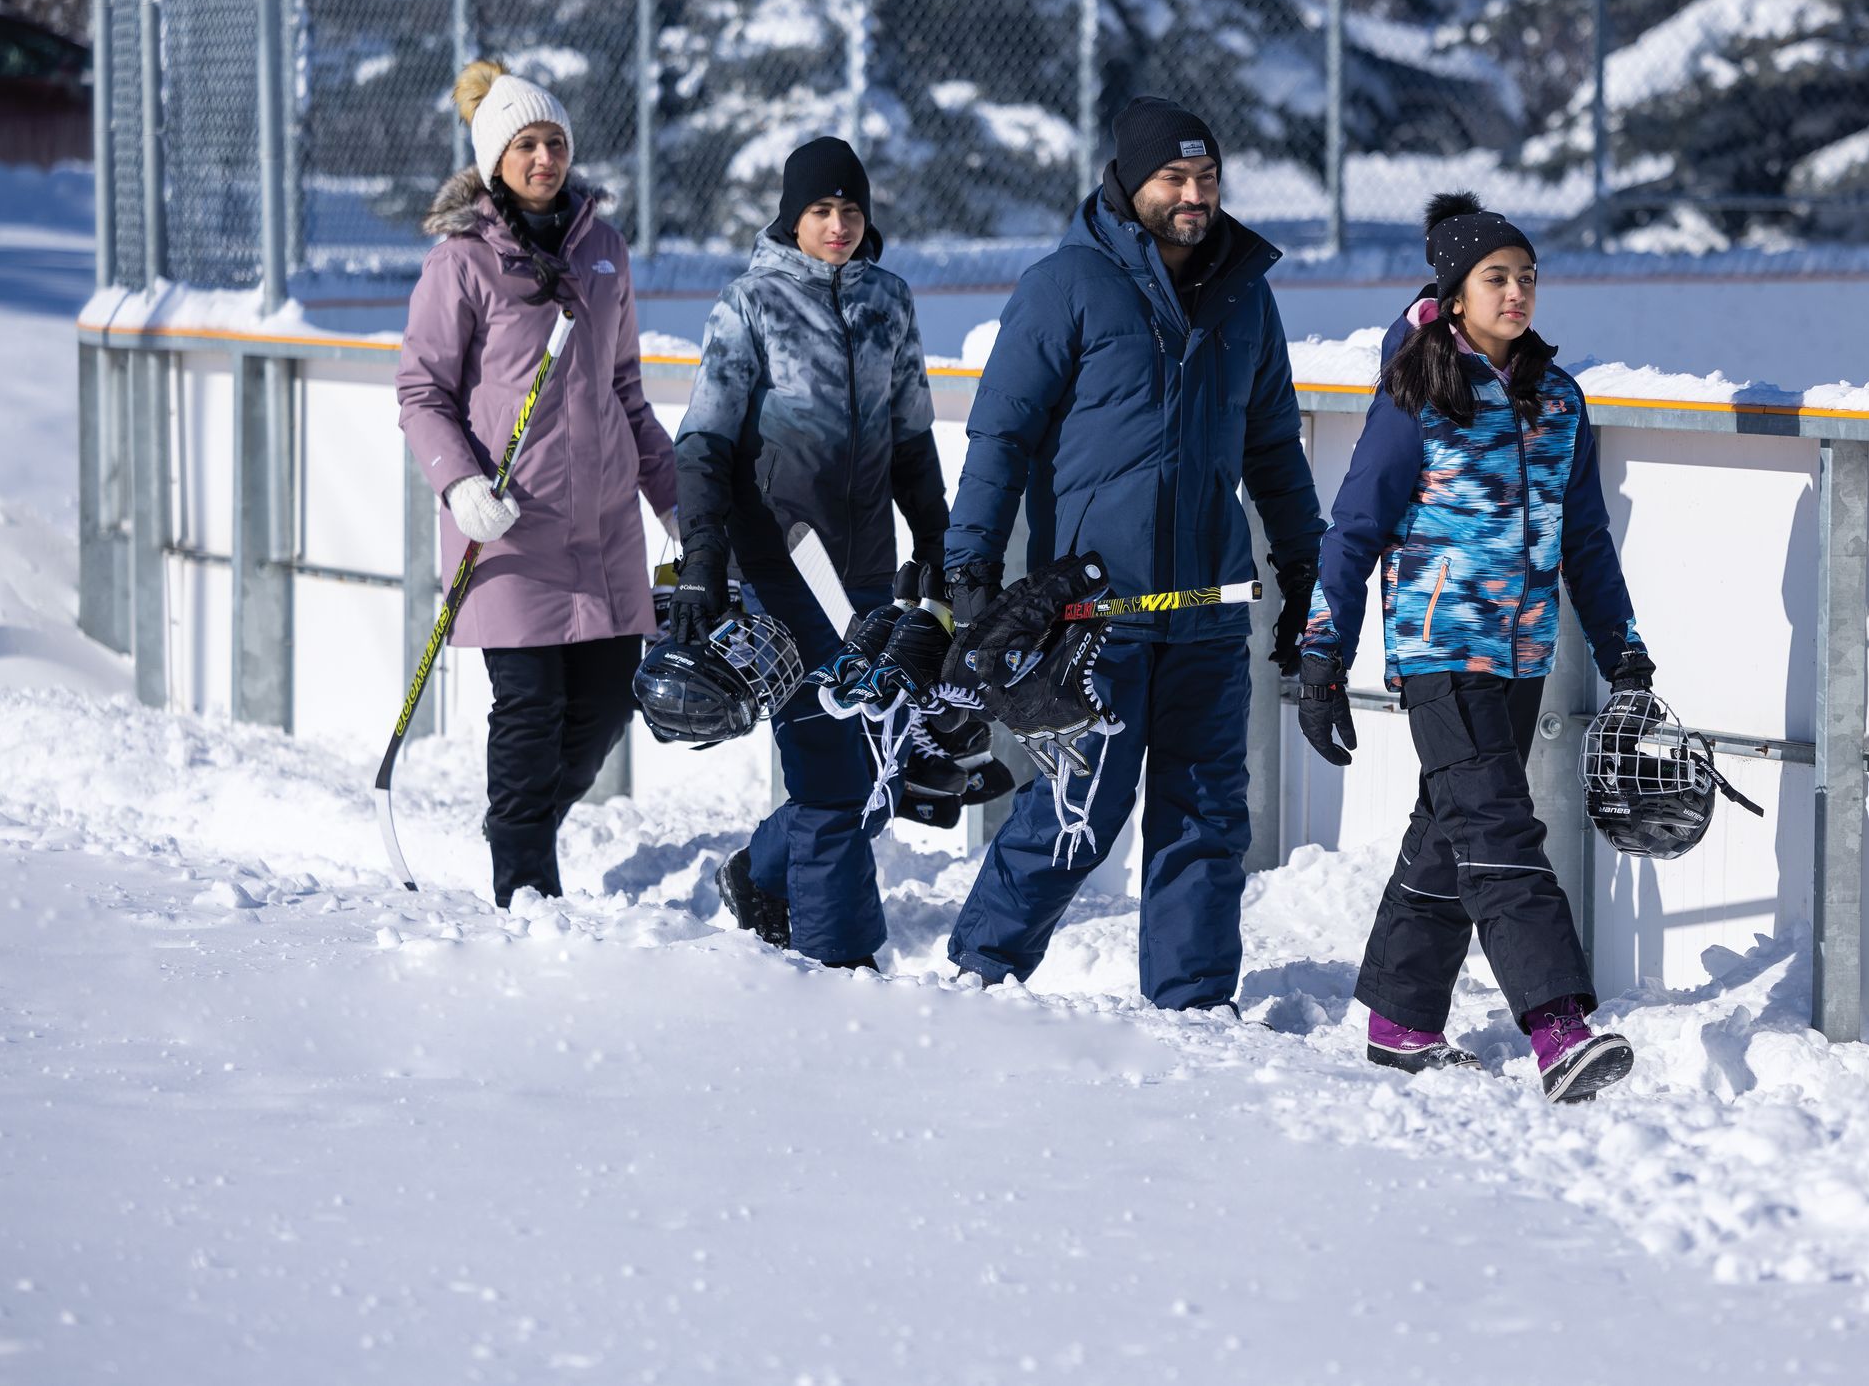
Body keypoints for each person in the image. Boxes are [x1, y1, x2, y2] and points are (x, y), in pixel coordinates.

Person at [941, 95, 1326, 1011]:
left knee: (1207, 817)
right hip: (1090, 617)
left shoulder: (1245, 293)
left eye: (1207, 177)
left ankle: (1193, 1007)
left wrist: (1303, 571)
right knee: (1074, 810)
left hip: (1208, 613)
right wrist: (971, 571)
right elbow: (1000, 437)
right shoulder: (1066, 285)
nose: (1194, 195)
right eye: (1174, 178)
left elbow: (1274, 449)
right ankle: (979, 977)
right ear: (1127, 182)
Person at [1294, 191, 1654, 1103]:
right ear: (1455, 295)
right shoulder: (1419, 393)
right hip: (1441, 649)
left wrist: (1625, 653)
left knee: (1452, 828)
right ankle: (1558, 1029)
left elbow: (1585, 540)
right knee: (1498, 828)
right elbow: (1354, 527)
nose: (1517, 292)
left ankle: (1400, 1018)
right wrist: (1323, 654)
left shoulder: (1557, 400)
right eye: (1497, 278)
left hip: (1523, 654)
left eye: (1527, 276)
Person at [396, 59, 678, 909]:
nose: (545, 158)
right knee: (529, 709)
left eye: (555, 141)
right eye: (526, 145)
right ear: (495, 159)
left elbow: (626, 391)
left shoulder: (604, 251)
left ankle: (519, 828)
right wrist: (459, 485)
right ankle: (525, 889)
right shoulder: (461, 263)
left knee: (604, 707)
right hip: (511, 526)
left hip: (604, 528)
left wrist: (676, 502)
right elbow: (421, 393)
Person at [670, 136, 950, 970]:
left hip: (867, 576)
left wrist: (939, 541)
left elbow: (912, 437)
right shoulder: (750, 304)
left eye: (851, 210)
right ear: (792, 218)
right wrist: (702, 557)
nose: (838, 225)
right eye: (821, 210)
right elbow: (704, 442)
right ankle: (842, 967)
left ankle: (759, 873)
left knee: (871, 768)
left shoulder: (888, 303)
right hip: (781, 573)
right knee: (832, 780)